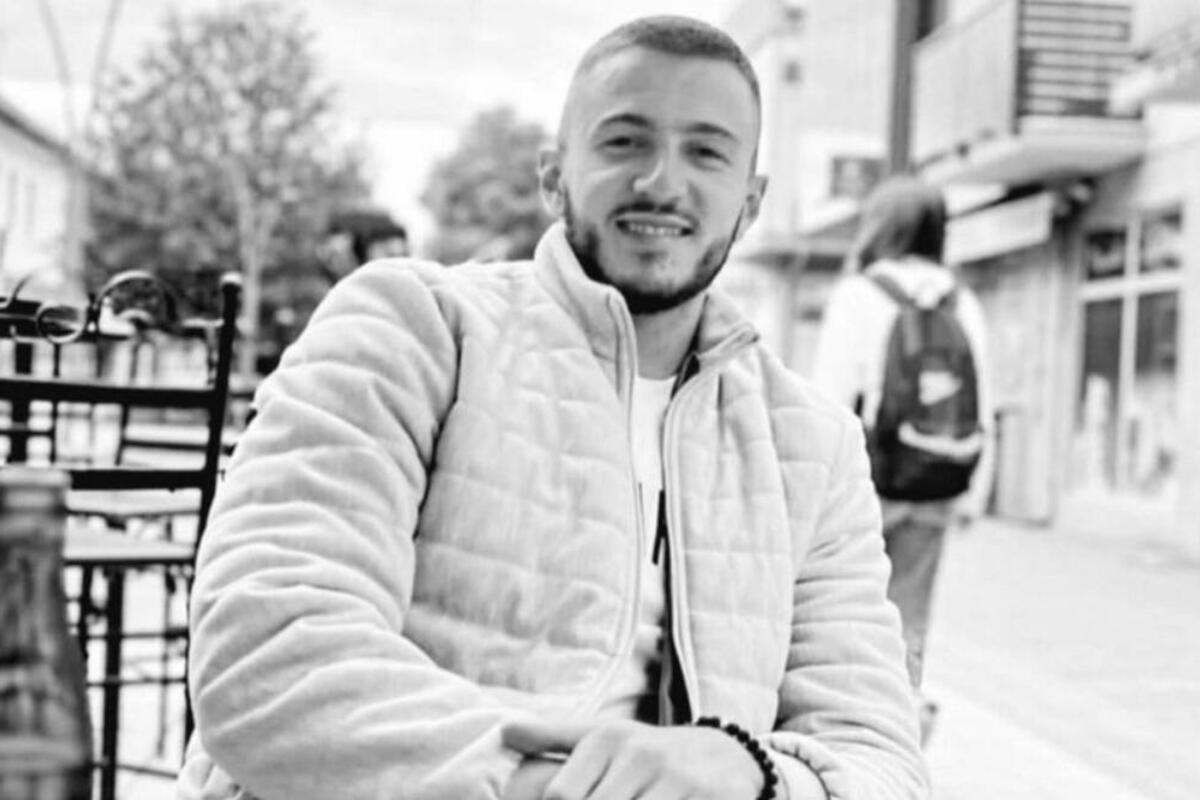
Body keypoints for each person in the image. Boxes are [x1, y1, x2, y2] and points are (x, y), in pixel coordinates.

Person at [179, 16, 927, 800]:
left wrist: (753, 773)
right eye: (625, 142)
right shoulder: (412, 326)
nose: (662, 182)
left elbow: (880, 759)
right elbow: (264, 654)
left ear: (751, 201)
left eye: (706, 152)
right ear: (553, 176)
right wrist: (561, 788)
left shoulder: (811, 443)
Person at [811, 175, 995, 741]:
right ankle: (899, 726)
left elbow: (828, 398)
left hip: (867, 480)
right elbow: (984, 400)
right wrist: (975, 491)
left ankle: (849, 730)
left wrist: (814, 489)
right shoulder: (963, 300)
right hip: (939, 478)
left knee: (839, 610)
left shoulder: (860, 294)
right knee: (908, 617)